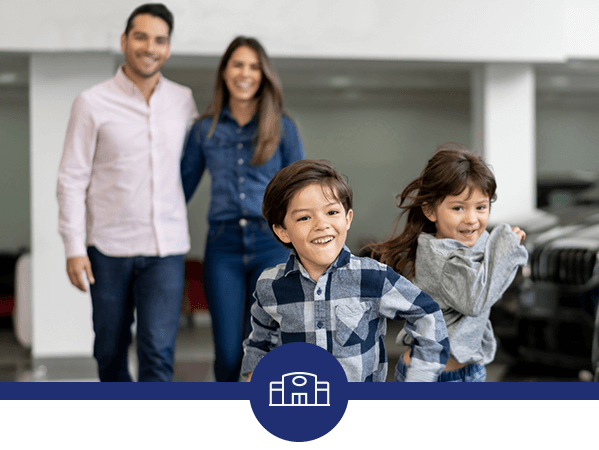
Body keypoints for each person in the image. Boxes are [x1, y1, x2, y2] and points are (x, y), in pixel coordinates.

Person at [56, 3, 198, 382]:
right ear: (124, 40)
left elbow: (190, 165)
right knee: (109, 348)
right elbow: (71, 178)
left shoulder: (183, 100)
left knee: (158, 350)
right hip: (108, 250)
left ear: (168, 48)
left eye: (159, 40)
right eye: (141, 37)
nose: (150, 47)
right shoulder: (91, 102)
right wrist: (73, 247)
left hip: (165, 249)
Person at [240, 159, 449, 382]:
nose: (321, 224)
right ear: (282, 231)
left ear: (347, 218)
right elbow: (260, 342)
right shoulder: (269, 285)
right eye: (304, 217)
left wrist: (419, 377)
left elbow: (427, 313)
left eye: (331, 212)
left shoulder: (373, 277)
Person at [181, 36, 305, 382]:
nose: (245, 73)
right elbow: (178, 191)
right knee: (228, 352)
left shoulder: (283, 126)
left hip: (270, 244)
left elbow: (300, 193)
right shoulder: (204, 129)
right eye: (237, 64)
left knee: (268, 347)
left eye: (253, 66)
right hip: (223, 247)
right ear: (224, 72)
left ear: (264, 74)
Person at [371, 143, 528, 382]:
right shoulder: (443, 259)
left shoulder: (470, 244)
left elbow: (491, 287)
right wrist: (506, 252)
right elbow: (476, 301)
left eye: (481, 207)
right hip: (435, 377)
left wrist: (505, 252)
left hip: (467, 370)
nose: (472, 219)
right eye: (458, 208)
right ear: (431, 211)